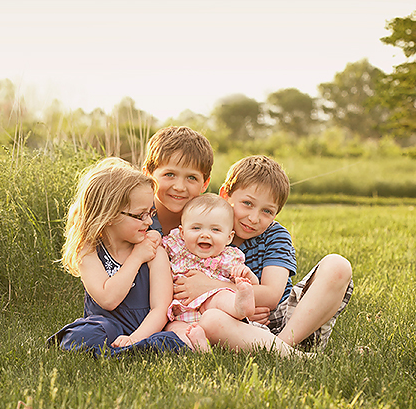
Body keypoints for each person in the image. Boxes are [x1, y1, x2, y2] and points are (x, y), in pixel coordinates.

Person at [183, 155, 354, 353]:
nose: (254, 218)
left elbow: (272, 295)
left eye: (267, 211)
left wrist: (209, 286)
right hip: (237, 325)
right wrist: (241, 311)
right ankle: (289, 355)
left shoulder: (275, 235)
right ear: (225, 195)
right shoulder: (205, 232)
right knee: (211, 320)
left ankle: (283, 347)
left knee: (338, 265)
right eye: (247, 203)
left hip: (289, 323)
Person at [47, 157, 187, 355]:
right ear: (110, 215)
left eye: (151, 213)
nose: (149, 221)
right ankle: (131, 351)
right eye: (140, 215)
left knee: (169, 338)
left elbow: (161, 308)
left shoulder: (155, 251)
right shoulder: (88, 250)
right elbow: (108, 299)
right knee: (85, 334)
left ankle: (128, 349)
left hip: (147, 328)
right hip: (107, 327)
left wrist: (135, 338)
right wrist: (136, 258)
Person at [159, 193, 259, 350]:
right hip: (181, 312)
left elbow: (254, 283)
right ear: (182, 233)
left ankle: (239, 308)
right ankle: (198, 345)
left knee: (222, 296)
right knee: (173, 329)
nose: (205, 234)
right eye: (196, 228)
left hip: (213, 307)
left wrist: (247, 276)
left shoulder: (229, 257)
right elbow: (157, 245)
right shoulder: (176, 246)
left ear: (229, 237)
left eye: (215, 229)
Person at [142, 126, 215, 237]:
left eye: (191, 178)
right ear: (147, 175)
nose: (179, 187)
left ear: (205, 184)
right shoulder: (130, 218)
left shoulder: (213, 225)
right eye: (169, 175)